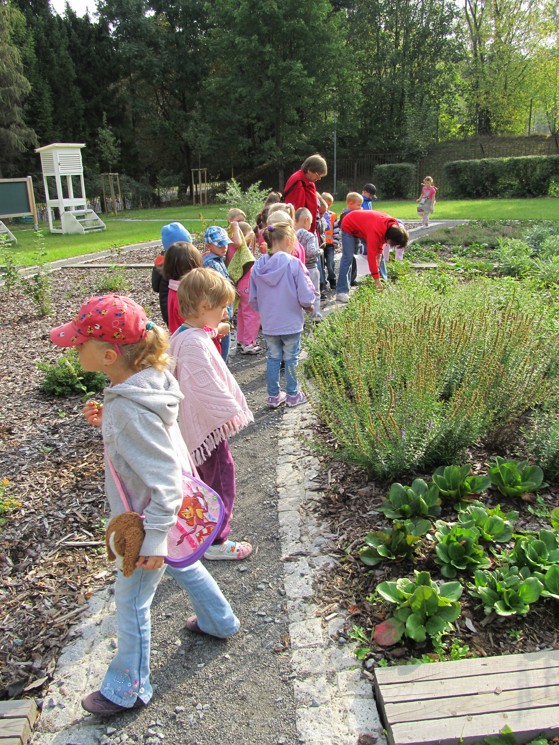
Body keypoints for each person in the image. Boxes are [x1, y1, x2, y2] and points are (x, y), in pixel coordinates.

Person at [49, 294, 239, 716]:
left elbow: (163, 476)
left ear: (110, 354)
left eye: (81, 343)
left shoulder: (129, 410)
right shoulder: (143, 385)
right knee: (185, 561)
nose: (75, 348)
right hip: (167, 514)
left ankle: (127, 689)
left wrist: (152, 539)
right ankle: (219, 621)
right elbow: (150, 446)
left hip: (148, 520)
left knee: (131, 601)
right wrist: (109, 422)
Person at [169, 269, 254, 560]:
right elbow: (202, 389)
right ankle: (217, 542)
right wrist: (228, 409)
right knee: (220, 478)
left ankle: (202, 531)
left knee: (210, 478)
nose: (225, 312)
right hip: (206, 428)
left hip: (197, 429)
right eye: (221, 308)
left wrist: (217, 330)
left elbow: (204, 332)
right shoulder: (192, 345)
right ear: (205, 306)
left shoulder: (185, 333)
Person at [249, 220, 316, 408]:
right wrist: (308, 305)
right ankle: (293, 395)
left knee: (273, 357)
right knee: (291, 358)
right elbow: (305, 293)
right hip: (291, 322)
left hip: (270, 322)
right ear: (288, 240)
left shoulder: (258, 267)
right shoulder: (294, 264)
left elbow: (252, 297)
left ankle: (273, 396)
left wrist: (264, 310)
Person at [336, 210, 409, 303]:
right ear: (389, 239)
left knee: (380, 257)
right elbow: (371, 256)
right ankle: (341, 292)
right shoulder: (375, 231)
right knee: (348, 258)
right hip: (349, 224)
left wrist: (379, 254)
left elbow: (381, 243)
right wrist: (376, 279)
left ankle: (383, 283)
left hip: (365, 227)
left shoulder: (392, 227)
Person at [225, 212, 261, 355]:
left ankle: (241, 340)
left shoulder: (231, 248)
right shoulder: (240, 247)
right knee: (252, 314)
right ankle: (249, 343)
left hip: (239, 284)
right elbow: (241, 242)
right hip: (247, 284)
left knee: (242, 312)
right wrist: (235, 227)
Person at [202, 226, 235, 363]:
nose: (224, 247)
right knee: (222, 352)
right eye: (220, 244)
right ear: (209, 246)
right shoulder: (212, 264)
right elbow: (219, 290)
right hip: (221, 314)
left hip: (222, 311)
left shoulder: (218, 260)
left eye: (225, 243)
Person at [151, 222, 192, 326]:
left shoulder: (161, 262)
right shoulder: (174, 265)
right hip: (175, 310)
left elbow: (156, 286)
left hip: (169, 310)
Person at [282, 154, 328, 239]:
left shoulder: (307, 181)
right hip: (301, 232)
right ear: (310, 170)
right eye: (318, 175)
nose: (319, 178)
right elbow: (297, 210)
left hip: (308, 228)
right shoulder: (299, 182)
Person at [162, 241, 201, 334]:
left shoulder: (173, 288)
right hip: (190, 341)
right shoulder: (184, 294)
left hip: (179, 337)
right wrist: (218, 330)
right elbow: (195, 325)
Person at [295, 207, 322, 320]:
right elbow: (311, 251)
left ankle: (301, 317)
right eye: (310, 223)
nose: (310, 225)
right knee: (314, 292)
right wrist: (319, 251)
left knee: (299, 293)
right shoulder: (309, 236)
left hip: (297, 269)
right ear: (306, 220)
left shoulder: (291, 234)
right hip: (310, 268)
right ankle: (315, 316)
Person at [335, 192, 363, 299]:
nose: (360, 207)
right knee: (347, 259)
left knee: (351, 260)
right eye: (358, 205)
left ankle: (348, 284)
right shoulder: (347, 214)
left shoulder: (352, 212)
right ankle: (341, 290)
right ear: (350, 204)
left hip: (355, 237)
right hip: (350, 236)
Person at [321, 192, 338, 290]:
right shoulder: (319, 215)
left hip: (330, 244)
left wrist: (336, 241)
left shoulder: (332, 215)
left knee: (330, 262)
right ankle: (323, 283)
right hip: (321, 244)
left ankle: (332, 279)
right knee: (321, 264)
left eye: (329, 204)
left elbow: (335, 229)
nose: (327, 206)